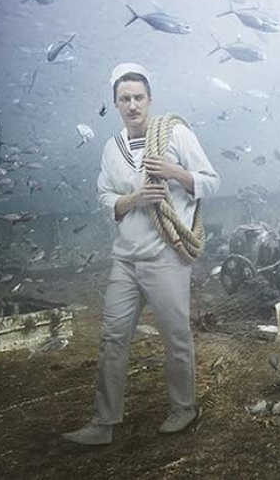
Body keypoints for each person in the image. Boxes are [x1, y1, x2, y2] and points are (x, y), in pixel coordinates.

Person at [63, 63, 220, 445]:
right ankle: (103, 424)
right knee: (112, 338)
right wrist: (134, 199)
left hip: (167, 256)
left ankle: (183, 408)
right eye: (124, 99)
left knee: (175, 336)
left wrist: (175, 172)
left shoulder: (176, 134)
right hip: (126, 259)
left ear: (150, 100)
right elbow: (105, 198)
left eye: (138, 98)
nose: (132, 105)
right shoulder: (110, 148)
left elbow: (212, 183)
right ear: (115, 104)